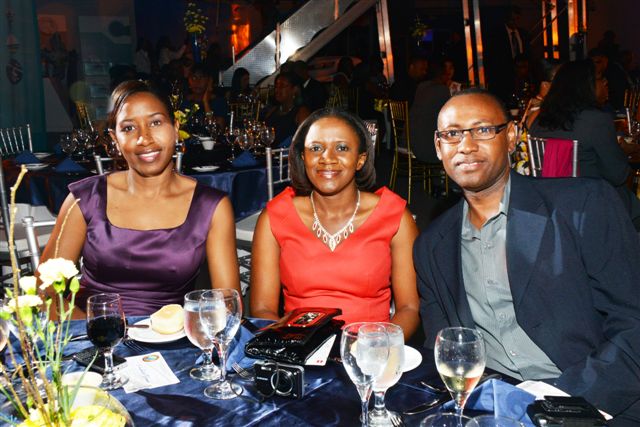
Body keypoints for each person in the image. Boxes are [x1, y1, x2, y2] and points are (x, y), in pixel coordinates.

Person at [415, 87, 640, 424]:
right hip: (495, 407)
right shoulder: (432, 246)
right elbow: (447, 350)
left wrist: (561, 403)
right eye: (452, 134)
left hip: (594, 400)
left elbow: (633, 323)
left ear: (511, 137)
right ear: (438, 146)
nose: (466, 145)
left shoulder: (583, 205)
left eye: (483, 130)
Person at [40, 80, 241, 317]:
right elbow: (45, 293)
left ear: (175, 129)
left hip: (172, 335)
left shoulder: (211, 207)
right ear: (115, 139)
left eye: (155, 122)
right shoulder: (85, 199)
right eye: (128, 128)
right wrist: (97, 330)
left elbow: (228, 306)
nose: (144, 138)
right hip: (91, 332)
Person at [251, 108, 420, 339]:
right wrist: (292, 347)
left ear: (360, 160)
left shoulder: (395, 217)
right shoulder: (275, 217)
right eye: (316, 148)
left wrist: (380, 347)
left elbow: (409, 309)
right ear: (303, 157)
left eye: (341, 148)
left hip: (372, 349)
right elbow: (263, 309)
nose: (327, 158)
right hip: (298, 347)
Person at [529, 60, 640, 228]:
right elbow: (618, 175)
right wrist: (622, 151)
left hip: (552, 204)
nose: (605, 82)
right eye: (600, 78)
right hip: (593, 207)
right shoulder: (596, 120)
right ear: (585, 86)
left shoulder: (539, 120)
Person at [262, 72, 311, 147]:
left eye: (282, 86)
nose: (277, 90)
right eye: (276, 86)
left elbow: (304, 142)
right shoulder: (273, 110)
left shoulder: (302, 112)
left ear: (294, 89)